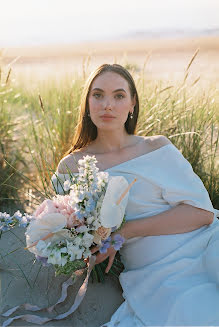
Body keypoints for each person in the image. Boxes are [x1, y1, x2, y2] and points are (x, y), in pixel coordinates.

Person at [51, 63, 219, 326]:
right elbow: (73, 235)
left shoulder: (157, 147)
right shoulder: (72, 167)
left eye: (119, 96)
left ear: (132, 104)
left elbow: (203, 214)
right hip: (156, 272)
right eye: (98, 95)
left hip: (205, 245)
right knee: (200, 313)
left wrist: (124, 232)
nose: (108, 104)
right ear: (87, 102)